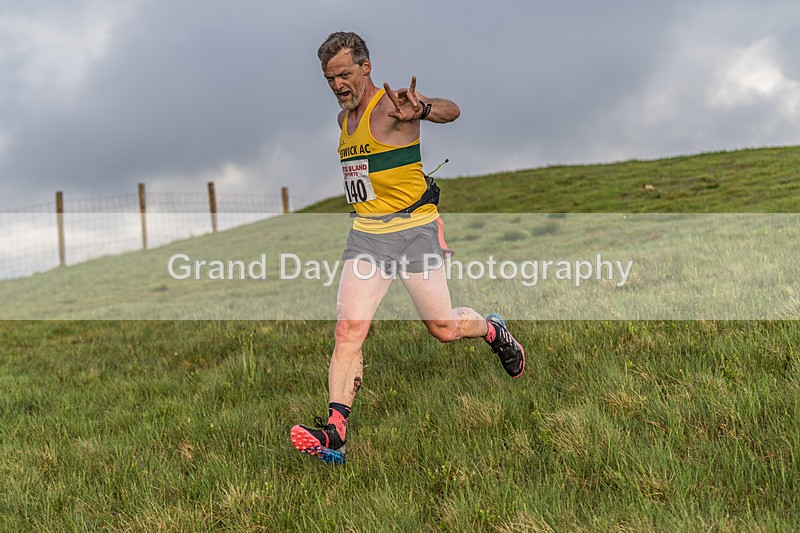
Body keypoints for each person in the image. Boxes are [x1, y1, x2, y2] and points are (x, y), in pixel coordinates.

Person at [290, 31, 525, 464]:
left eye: (345, 74)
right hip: (366, 236)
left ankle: (492, 330)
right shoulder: (343, 121)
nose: (338, 85)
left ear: (366, 67)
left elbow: (453, 110)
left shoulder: (396, 106)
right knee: (348, 331)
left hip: (415, 231)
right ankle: (335, 432)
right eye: (329, 79)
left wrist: (424, 109)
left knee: (444, 329)